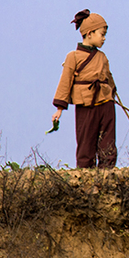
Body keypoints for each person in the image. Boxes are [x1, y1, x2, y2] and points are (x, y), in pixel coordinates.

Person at [52, 9, 118, 168]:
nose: (104, 38)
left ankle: (107, 175)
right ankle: (85, 179)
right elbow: (65, 82)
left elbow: (109, 79)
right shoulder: (72, 57)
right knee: (86, 144)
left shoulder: (102, 57)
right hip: (85, 105)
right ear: (89, 33)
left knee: (108, 143)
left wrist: (113, 95)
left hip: (106, 103)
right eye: (101, 34)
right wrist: (60, 108)